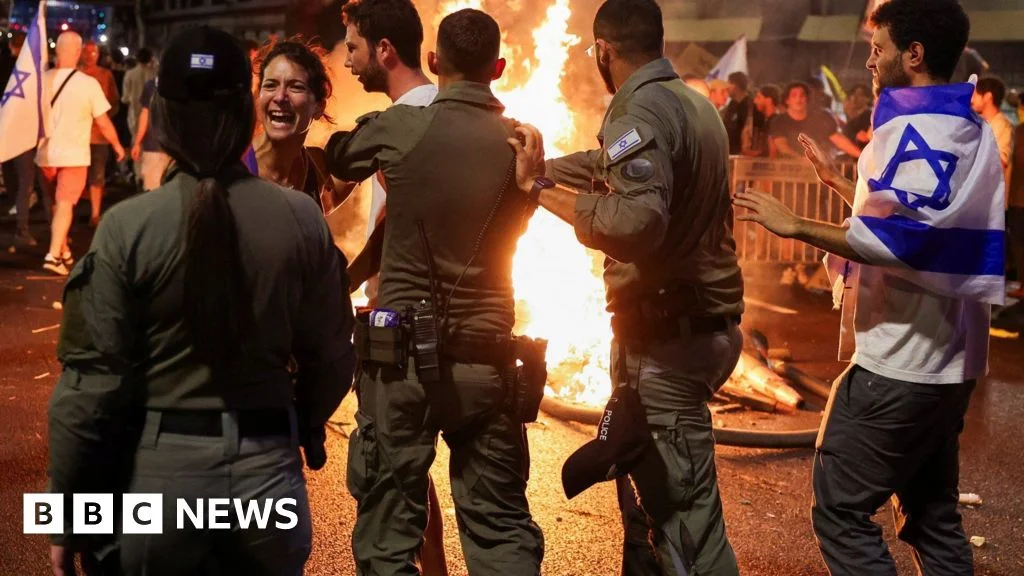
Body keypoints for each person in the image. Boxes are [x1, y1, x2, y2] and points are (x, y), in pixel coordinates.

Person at [46, 26, 355, 576]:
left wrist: (71, 517)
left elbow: (88, 394)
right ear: (246, 108)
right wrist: (300, 429)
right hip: (268, 480)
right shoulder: (302, 220)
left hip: (161, 478)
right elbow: (331, 358)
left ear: (163, 115)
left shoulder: (126, 228)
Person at [734, 1, 1000, 574]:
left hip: (899, 366)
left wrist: (795, 223)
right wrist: (846, 186)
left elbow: (900, 242)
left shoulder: (909, 129)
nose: (869, 60)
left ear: (915, 54)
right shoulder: (968, 128)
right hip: (951, 367)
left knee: (840, 511)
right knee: (933, 518)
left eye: (877, 48)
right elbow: (924, 225)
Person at [526, 0, 745, 573]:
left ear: (604, 50)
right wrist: (540, 167)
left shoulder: (639, 112)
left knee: (685, 524)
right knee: (647, 512)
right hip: (699, 327)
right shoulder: (692, 105)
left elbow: (636, 222)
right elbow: (608, 164)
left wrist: (536, 191)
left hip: (666, 344)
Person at [326, 9, 545, 575]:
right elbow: (516, 223)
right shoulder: (520, 142)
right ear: (497, 67)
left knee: (388, 531)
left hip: (399, 369)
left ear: (431, 62)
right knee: (499, 527)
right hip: (487, 365)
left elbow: (342, 155)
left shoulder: (401, 127)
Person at [339, 1, 450, 573]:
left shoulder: (398, 129)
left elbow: (390, 233)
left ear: (385, 50)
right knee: (414, 475)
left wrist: (343, 284)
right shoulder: (453, 111)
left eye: (354, 47)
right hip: (453, 331)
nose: (349, 61)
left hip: (401, 337)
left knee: (390, 480)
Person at [36, 32, 125, 276]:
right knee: (66, 204)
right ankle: (53, 255)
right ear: (77, 53)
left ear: (57, 52)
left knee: (55, 203)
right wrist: (117, 145)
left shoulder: (41, 80)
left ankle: (63, 249)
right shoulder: (87, 84)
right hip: (73, 154)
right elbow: (104, 122)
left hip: (44, 154)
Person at [79, 40, 121, 227]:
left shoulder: (106, 75)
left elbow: (114, 102)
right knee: (75, 176)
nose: (89, 56)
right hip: (77, 134)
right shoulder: (74, 74)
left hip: (99, 135)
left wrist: (102, 118)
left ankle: (95, 214)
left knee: (97, 175)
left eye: (93, 52)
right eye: (86, 52)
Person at [769, 81, 862, 159]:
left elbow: (839, 140)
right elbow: (782, 146)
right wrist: (801, 160)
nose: (798, 99)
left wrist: (862, 156)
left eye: (802, 95)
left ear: (807, 99)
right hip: (787, 174)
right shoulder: (779, 121)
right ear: (787, 100)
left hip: (816, 173)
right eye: (794, 96)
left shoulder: (821, 118)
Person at [971, 76, 1012, 191]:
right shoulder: (979, 123)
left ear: (988, 97)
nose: (971, 100)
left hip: (991, 198)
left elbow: (1000, 163)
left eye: (975, 95)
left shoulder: (1001, 125)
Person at [131, 78, 170, 191]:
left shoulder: (151, 85)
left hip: (154, 144)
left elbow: (145, 113)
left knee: (152, 189)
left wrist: (137, 142)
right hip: (177, 146)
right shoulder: (184, 84)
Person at [121, 47, 156, 148]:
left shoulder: (130, 74)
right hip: (152, 112)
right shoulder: (154, 73)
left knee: (136, 141)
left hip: (135, 112)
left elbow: (125, 98)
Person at [1008, 97, 1024, 299]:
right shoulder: (1019, 129)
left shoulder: (1020, 131)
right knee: (1018, 244)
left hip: (1020, 199)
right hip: (1016, 197)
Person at [742, 83, 779, 157]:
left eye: (758, 97)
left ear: (769, 100)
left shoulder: (776, 122)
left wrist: (751, 154)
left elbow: (774, 151)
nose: (755, 101)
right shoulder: (768, 121)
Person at [721, 71, 751, 155]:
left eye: (729, 83)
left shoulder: (750, 105)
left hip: (742, 155)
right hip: (728, 152)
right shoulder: (732, 104)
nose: (727, 87)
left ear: (736, 85)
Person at [841, 83, 874, 152]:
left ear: (868, 99)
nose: (855, 97)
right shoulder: (853, 118)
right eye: (853, 94)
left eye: (860, 95)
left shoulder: (869, 116)